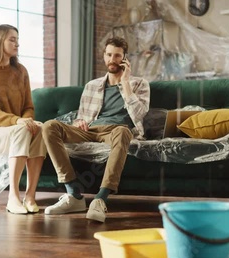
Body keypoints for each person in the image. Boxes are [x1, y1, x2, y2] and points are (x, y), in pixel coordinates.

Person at [42, 36, 150, 222]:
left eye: (117, 56)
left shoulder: (139, 84)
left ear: (125, 59)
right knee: (49, 126)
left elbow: (139, 114)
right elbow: (82, 117)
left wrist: (125, 83)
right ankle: (73, 194)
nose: (112, 60)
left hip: (117, 131)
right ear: (104, 56)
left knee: (124, 131)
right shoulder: (92, 86)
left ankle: (100, 199)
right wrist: (79, 123)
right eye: (109, 55)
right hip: (91, 131)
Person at [0, 24, 47, 214]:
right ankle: (13, 198)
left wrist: (27, 120)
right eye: (12, 40)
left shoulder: (20, 71)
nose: (17, 44)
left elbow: (28, 107)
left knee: (40, 128)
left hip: (15, 131)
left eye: (17, 40)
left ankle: (30, 196)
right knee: (23, 128)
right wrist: (18, 121)